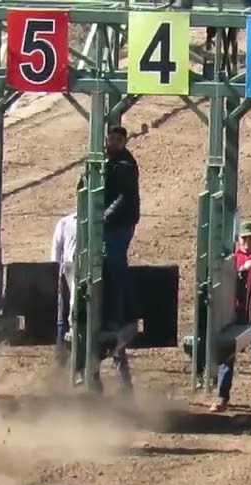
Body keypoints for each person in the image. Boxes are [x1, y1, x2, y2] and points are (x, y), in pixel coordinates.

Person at [212, 221, 251, 413]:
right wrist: (241, 270)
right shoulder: (234, 258)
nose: (247, 242)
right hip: (236, 315)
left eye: (250, 238)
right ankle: (222, 397)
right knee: (228, 357)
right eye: (244, 238)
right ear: (238, 239)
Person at [102, 125, 141, 331]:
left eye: (118, 140)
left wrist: (105, 216)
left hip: (120, 223)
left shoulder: (125, 164)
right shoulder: (105, 161)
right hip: (111, 222)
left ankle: (122, 315)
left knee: (115, 266)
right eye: (112, 139)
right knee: (112, 265)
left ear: (124, 142)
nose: (114, 143)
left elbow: (124, 197)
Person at [49, 211, 78, 366]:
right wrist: (56, 275)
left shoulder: (99, 222)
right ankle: (61, 357)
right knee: (63, 315)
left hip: (86, 273)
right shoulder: (65, 223)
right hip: (68, 272)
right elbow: (56, 251)